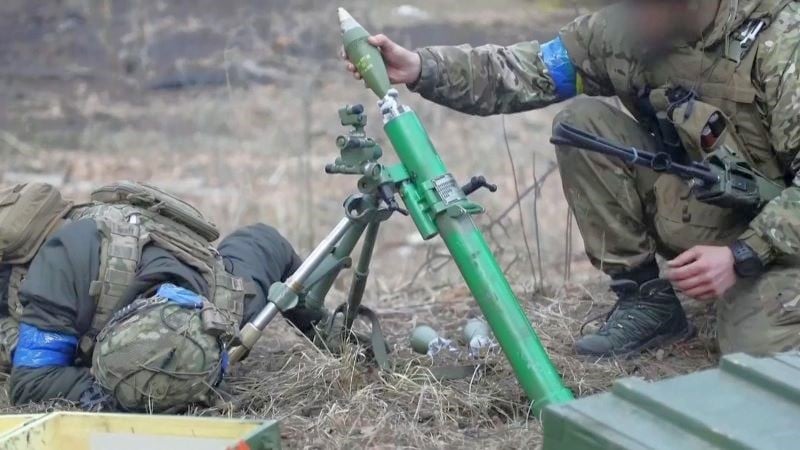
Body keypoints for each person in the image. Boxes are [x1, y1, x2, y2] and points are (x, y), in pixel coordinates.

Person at [345, 0, 800, 357]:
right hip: (713, 206)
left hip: (783, 235)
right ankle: (646, 301)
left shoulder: (782, 40)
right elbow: (528, 71)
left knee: (755, 353)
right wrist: (424, 67)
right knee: (583, 124)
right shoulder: (625, 30)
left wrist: (743, 255)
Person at [0, 181, 321, 412]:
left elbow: (270, 242)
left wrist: (322, 327)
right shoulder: (57, 272)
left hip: (154, 257)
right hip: (79, 263)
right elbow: (32, 381)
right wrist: (107, 396)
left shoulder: (232, 306)